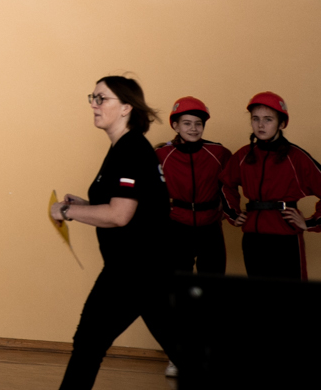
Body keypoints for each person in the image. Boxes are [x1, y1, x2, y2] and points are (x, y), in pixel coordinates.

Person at [48, 76, 191, 389]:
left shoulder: (131, 150)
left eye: (102, 98)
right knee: (184, 351)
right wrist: (86, 206)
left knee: (88, 343)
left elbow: (119, 215)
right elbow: (130, 208)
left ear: (126, 107)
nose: (94, 105)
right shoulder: (122, 149)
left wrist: (67, 212)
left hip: (135, 269)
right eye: (93, 97)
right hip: (145, 269)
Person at [221, 90, 319, 280]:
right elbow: (224, 184)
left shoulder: (296, 157)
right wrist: (233, 214)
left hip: (285, 237)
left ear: (281, 124)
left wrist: (310, 222)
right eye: (255, 119)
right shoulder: (243, 155)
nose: (260, 125)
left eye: (268, 119)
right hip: (253, 238)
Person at [156, 97, 231, 280]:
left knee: (213, 282)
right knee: (177, 283)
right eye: (187, 123)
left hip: (210, 226)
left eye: (198, 123)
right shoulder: (162, 154)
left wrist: (229, 208)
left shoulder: (218, 152)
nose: (193, 128)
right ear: (175, 126)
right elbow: (150, 188)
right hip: (176, 226)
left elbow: (232, 182)